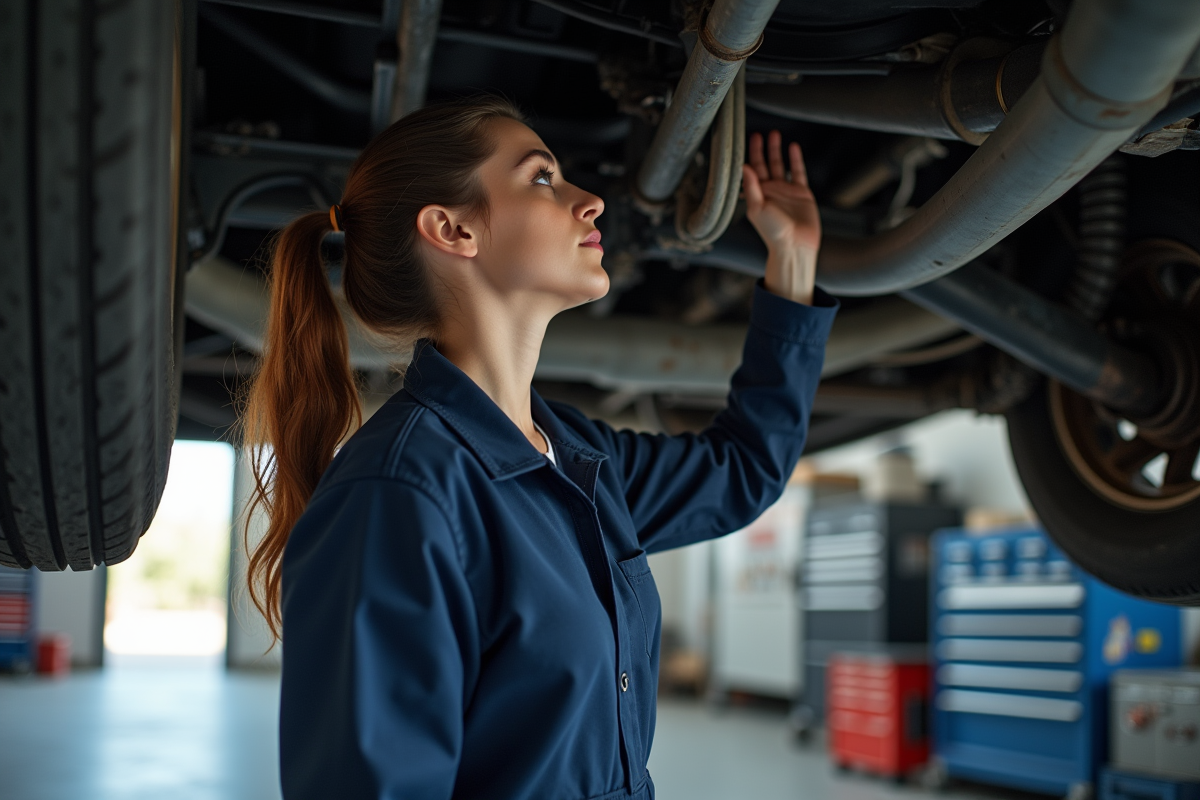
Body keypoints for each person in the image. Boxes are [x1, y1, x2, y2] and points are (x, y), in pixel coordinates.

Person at [241, 96, 838, 799]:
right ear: (453, 228)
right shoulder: (397, 495)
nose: (591, 203)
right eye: (543, 179)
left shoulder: (575, 455)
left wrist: (792, 260)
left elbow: (741, 472)